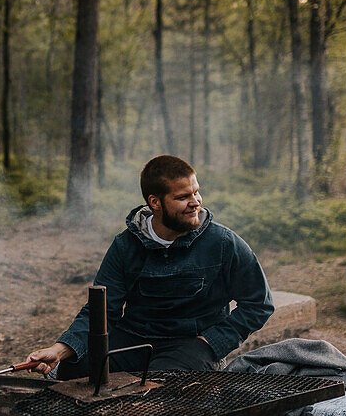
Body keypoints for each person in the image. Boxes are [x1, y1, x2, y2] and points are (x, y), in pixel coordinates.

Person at [29, 155, 274, 377]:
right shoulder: (126, 246)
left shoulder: (222, 242)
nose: (196, 202)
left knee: (159, 386)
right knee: (74, 371)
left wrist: (212, 342)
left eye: (196, 192)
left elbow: (259, 304)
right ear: (155, 202)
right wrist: (60, 350)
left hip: (191, 345)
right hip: (135, 339)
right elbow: (102, 309)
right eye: (183, 197)